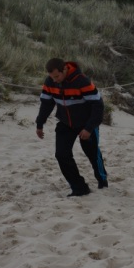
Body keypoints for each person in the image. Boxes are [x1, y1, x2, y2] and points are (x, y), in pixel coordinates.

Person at [36, 58, 108, 197]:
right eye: (52, 77)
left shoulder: (82, 81)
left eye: (57, 76)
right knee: (61, 155)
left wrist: (89, 128)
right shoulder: (50, 81)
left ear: (65, 69)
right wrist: (40, 124)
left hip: (86, 123)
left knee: (92, 153)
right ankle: (79, 188)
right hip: (65, 123)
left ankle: (102, 179)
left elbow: (98, 106)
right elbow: (46, 103)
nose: (54, 80)